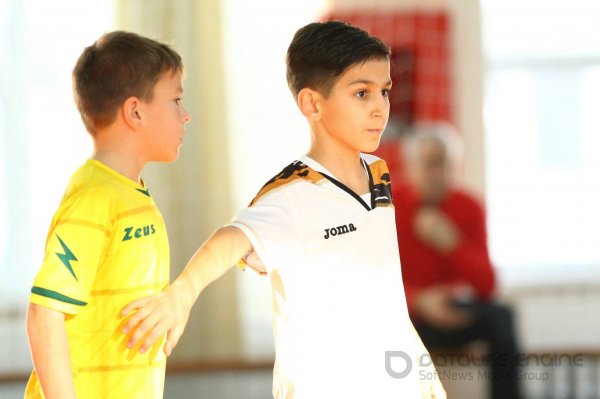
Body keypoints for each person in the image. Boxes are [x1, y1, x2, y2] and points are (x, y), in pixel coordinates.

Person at [120, 21, 446, 399]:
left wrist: (423, 373)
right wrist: (181, 294)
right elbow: (230, 239)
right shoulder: (291, 193)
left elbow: (385, 300)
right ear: (311, 104)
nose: (379, 108)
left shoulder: (379, 173)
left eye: (384, 91)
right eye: (361, 93)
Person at [25, 31, 191, 399]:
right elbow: (44, 316)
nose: (186, 115)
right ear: (135, 111)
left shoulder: (130, 193)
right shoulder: (95, 196)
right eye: (176, 100)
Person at [393, 124, 521, 399]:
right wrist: (419, 302)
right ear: (409, 166)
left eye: (447, 165)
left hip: (455, 310)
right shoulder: (386, 208)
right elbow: (369, 284)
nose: (439, 175)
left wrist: (452, 244)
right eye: (431, 164)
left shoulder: (469, 206)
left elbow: (487, 285)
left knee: (503, 317)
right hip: (407, 314)